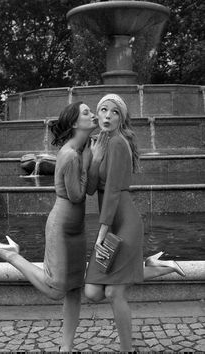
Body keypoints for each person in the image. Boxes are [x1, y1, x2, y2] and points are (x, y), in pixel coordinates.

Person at [0, 101, 108, 352]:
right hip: (62, 227)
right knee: (56, 289)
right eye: (87, 113)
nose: (94, 115)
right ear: (75, 123)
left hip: (77, 227)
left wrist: (93, 160)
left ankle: (66, 348)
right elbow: (76, 196)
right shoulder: (71, 154)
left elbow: (91, 189)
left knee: (74, 289)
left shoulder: (83, 149)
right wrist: (89, 162)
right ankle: (10, 255)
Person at [85, 94, 185, 352]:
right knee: (93, 292)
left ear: (122, 117)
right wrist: (95, 160)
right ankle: (161, 266)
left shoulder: (118, 143)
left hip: (124, 225)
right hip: (111, 223)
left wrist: (102, 231)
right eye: (104, 110)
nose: (108, 116)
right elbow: (91, 189)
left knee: (113, 293)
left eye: (114, 112)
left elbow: (115, 190)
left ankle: (127, 349)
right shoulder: (102, 142)